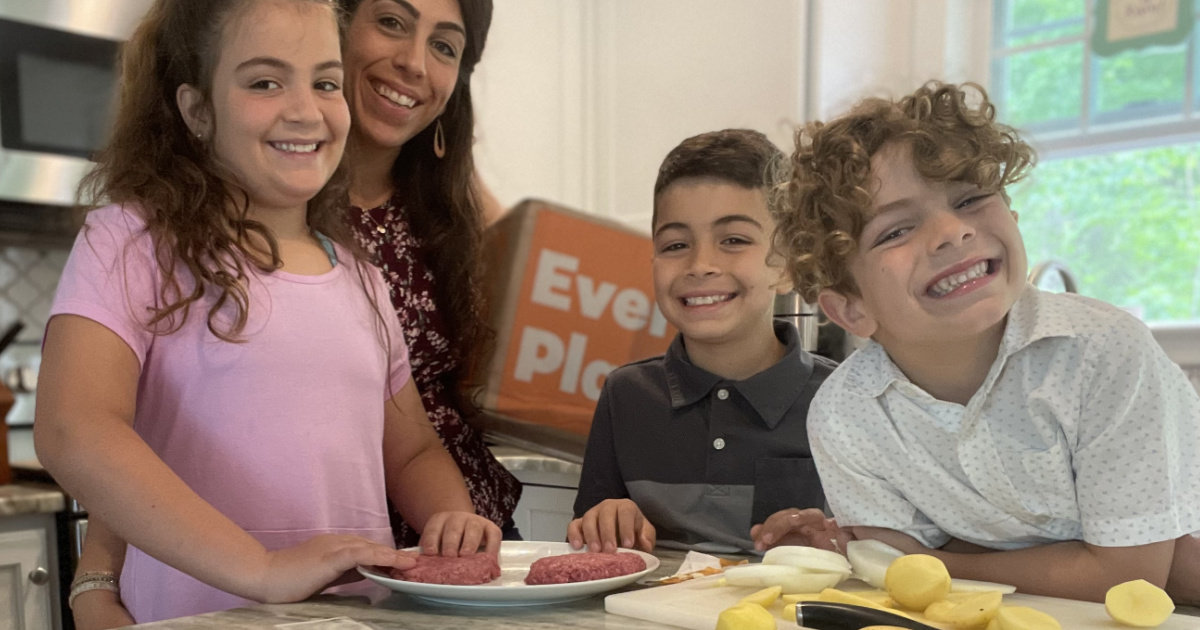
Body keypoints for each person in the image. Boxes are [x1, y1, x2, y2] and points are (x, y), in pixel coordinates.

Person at [34, 0, 500, 625]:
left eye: (326, 83)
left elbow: (412, 449)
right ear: (196, 109)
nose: (306, 110)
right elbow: (75, 429)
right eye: (264, 82)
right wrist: (261, 568)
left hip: (358, 617)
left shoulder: (362, 278)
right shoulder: (129, 240)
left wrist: (451, 519)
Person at [763, 81, 1200, 604]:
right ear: (850, 309)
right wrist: (866, 553)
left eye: (970, 199)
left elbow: (1129, 582)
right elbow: (894, 562)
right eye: (896, 231)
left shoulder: (1102, 351)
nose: (952, 231)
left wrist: (932, 560)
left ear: (1012, 216)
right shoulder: (844, 414)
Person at [568, 129, 838, 554]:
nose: (701, 265)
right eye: (676, 245)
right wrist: (606, 521)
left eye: (733, 240)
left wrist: (834, 547)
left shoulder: (843, 401)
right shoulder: (626, 396)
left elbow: (877, 561)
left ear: (787, 261)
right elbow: (588, 546)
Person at [336, 0, 522, 548]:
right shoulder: (273, 201)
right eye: (391, 23)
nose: (415, 64)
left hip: (462, 531)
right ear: (337, 25)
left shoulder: (454, 202)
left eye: (444, 46)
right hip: (330, 539)